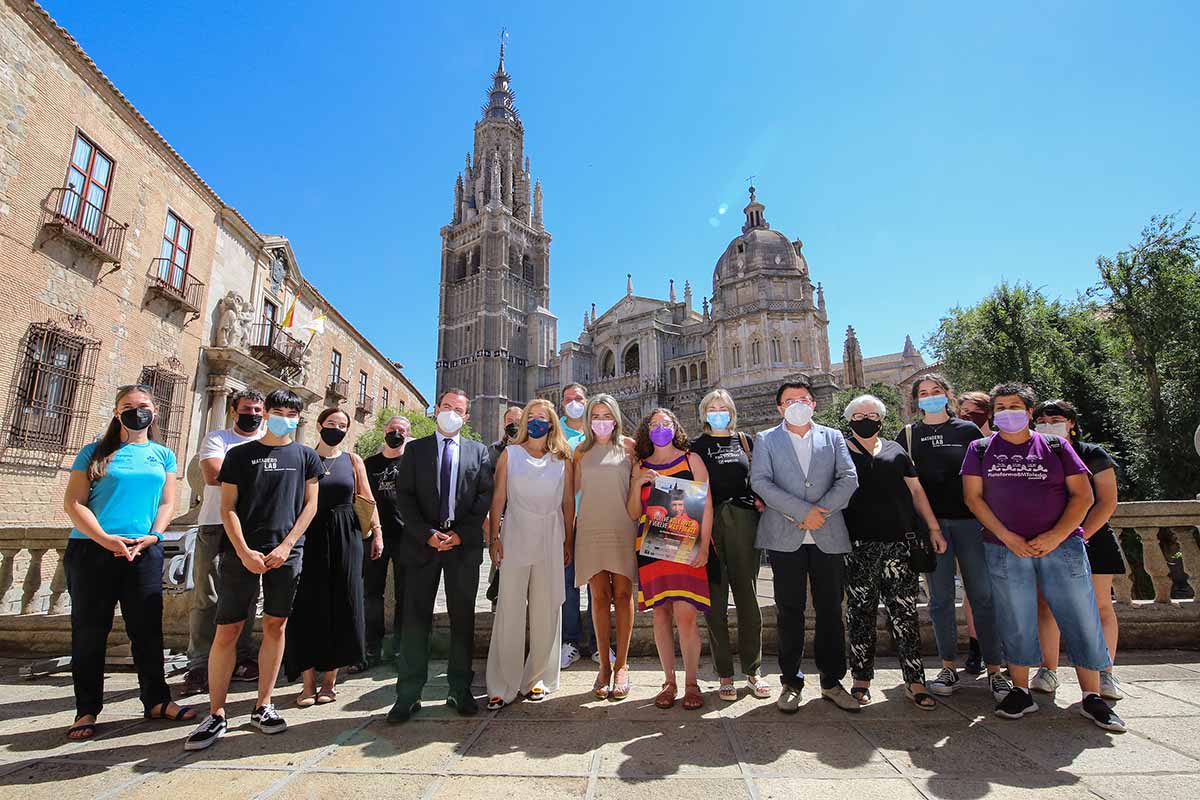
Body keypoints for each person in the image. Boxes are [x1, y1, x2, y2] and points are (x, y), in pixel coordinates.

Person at [962, 382, 1125, 732]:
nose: (1008, 412)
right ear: (993, 414)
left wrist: (1055, 536)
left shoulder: (1056, 446)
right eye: (1001, 407)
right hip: (1004, 547)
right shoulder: (978, 449)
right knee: (1015, 617)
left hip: (1062, 547)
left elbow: (1082, 496)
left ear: (1030, 412)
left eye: (1015, 406)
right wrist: (1007, 537)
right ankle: (1020, 690)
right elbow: (974, 499)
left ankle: (1092, 696)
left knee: (1081, 616)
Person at [185, 389, 323, 751]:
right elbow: (227, 507)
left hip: (286, 553)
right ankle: (216, 712)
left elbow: (310, 506)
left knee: (276, 626)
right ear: (267, 416)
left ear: (298, 417)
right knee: (227, 628)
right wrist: (244, 550)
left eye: (291, 413)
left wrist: (287, 545)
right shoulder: (240, 455)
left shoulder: (306, 456)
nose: (284, 418)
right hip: (240, 553)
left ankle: (263, 704)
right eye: (277, 411)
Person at [62, 384, 195, 740]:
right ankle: (86, 710)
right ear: (117, 412)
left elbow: (168, 502)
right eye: (129, 405)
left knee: (147, 631)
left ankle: (156, 700)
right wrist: (105, 539)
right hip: (93, 551)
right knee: (90, 632)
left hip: (143, 550)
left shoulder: (163, 455)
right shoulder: (94, 453)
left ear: (154, 412)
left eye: (144, 405)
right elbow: (74, 503)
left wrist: (154, 535)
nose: (137, 411)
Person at [750, 380, 860, 714]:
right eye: (789, 400)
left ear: (813, 404)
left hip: (826, 533)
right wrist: (802, 512)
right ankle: (791, 682)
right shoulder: (766, 439)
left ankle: (831, 681)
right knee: (789, 611)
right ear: (780, 408)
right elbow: (760, 482)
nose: (797, 403)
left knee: (830, 610)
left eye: (803, 399)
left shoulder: (834, 436)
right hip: (786, 535)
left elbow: (849, 478)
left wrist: (819, 513)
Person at [898, 375, 1009, 701]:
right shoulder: (908, 435)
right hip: (932, 527)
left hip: (971, 523)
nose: (930, 397)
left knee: (983, 596)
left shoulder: (968, 431)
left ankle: (995, 670)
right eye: (923, 394)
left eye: (935, 392)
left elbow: (985, 477)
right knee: (940, 599)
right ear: (915, 399)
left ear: (947, 395)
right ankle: (948, 666)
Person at [387, 389, 493, 723]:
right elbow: (404, 497)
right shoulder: (415, 450)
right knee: (416, 620)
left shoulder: (479, 452)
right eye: (445, 406)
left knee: (463, 619)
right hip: (422, 546)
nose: (451, 412)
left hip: (463, 545)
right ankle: (408, 695)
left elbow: (483, 497)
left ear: (466, 417)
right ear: (436, 411)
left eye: (457, 409)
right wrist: (426, 534)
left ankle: (459, 689)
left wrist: (461, 532)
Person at [841, 395, 945, 710]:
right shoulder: (840, 450)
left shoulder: (896, 450)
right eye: (859, 414)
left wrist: (933, 528)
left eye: (872, 414)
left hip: (900, 543)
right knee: (860, 612)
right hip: (859, 544)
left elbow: (916, 491)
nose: (866, 419)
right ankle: (861, 679)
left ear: (882, 420)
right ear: (849, 420)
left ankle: (915, 680)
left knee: (905, 611)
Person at [1029, 399, 1124, 701]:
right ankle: (1048, 669)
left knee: (1099, 606)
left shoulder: (1092, 453)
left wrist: (1080, 536)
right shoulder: (1034, 455)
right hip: (1047, 540)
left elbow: (1106, 502)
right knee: (1046, 605)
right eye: (1041, 420)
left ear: (1071, 423)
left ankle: (1105, 673)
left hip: (1090, 539)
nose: (1047, 424)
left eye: (1054, 418)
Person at [285, 407, 378, 704]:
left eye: (342, 425)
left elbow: (366, 499)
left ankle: (330, 682)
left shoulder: (353, 461)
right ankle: (307, 683)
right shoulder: (303, 458)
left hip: (346, 533)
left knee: (343, 601)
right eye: (331, 423)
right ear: (319, 425)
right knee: (308, 605)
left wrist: (377, 533)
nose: (336, 428)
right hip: (309, 535)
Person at [485, 400, 575, 709]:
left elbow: (568, 504)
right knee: (509, 606)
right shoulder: (510, 455)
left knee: (546, 606)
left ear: (552, 424)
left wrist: (568, 541)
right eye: (532, 417)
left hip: (551, 534)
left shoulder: (562, 459)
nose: (537, 421)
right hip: (516, 532)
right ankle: (502, 683)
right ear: (524, 422)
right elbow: (498, 498)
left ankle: (538, 677)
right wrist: (493, 538)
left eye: (543, 417)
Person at [627, 408, 713, 711]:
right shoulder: (641, 464)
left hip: (686, 549)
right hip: (651, 549)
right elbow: (633, 513)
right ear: (646, 430)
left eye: (665, 423)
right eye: (654, 425)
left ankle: (691, 683)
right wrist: (638, 483)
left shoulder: (692, 459)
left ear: (675, 427)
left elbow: (707, 504)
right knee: (660, 615)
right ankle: (669, 682)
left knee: (686, 616)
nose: (660, 428)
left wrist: (703, 546)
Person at [690, 389, 770, 703]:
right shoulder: (696, 447)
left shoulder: (747, 442)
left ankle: (753, 670)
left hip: (744, 523)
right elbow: (691, 490)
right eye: (712, 407)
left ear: (732, 410)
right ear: (703, 412)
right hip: (710, 526)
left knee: (748, 597)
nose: (717, 411)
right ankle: (724, 672)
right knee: (714, 601)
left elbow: (761, 479)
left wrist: (761, 499)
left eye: (722, 407)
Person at [184, 388, 264, 696]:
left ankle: (242, 657)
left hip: (253, 528)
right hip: (215, 525)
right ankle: (200, 664)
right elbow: (212, 474)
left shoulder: (267, 440)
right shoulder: (217, 439)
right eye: (247, 409)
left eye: (258, 410)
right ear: (234, 411)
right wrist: (260, 475)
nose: (253, 415)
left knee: (246, 595)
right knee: (208, 595)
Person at [573, 394, 639, 700]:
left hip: (622, 527)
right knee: (598, 597)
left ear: (615, 418)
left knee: (624, 595)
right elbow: (568, 494)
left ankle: (622, 666)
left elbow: (638, 489)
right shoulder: (579, 451)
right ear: (589, 420)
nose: (601, 421)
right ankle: (603, 668)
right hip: (590, 528)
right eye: (596, 415)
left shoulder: (629, 448)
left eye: (606, 415)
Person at [354, 414, 410, 672]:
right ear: (384, 432)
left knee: (404, 595)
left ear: (407, 435)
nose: (396, 433)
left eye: (401, 430)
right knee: (372, 594)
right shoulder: (369, 464)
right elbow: (362, 500)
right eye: (392, 429)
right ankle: (370, 649)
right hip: (374, 537)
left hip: (406, 537)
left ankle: (400, 649)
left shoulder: (413, 463)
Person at [559, 382, 598, 669]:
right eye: (569, 399)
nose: (574, 403)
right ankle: (569, 642)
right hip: (563, 518)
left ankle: (600, 645)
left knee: (597, 585)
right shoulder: (554, 433)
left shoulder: (600, 429)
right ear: (562, 404)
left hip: (597, 517)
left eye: (579, 398)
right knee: (568, 583)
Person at [956, 389, 993, 673]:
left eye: (973, 411)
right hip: (969, 524)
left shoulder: (1005, 441)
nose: (968, 416)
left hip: (1008, 525)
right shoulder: (961, 442)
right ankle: (977, 646)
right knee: (974, 590)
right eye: (963, 412)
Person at [485, 405, 524, 608]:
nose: (513, 425)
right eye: (510, 421)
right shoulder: (495, 451)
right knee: (500, 565)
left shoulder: (533, 449)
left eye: (518, 422)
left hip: (526, 518)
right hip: (502, 517)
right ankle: (498, 604)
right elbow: (487, 486)